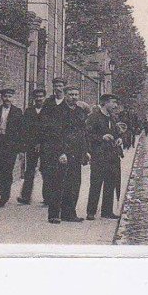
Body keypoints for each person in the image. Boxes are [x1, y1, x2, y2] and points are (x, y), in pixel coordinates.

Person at [40, 77, 72, 224]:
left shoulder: (68, 105)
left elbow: (70, 131)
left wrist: (65, 150)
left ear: (64, 88)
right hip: (49, 147)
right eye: (56, 86)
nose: (58, 88)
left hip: (63, 148)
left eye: (60, 86)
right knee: (50, 179)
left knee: (61, 181)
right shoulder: (48, 103)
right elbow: (42, 124)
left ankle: (57, 213)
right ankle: (52, 212)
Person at [86, 94, 123, 219]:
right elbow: (88, 135)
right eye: (113, 102)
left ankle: (107, 211)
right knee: (96, 183)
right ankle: (91, 212)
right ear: (105, 103)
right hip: (99, 155)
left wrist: (119, 139)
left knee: (110, 183)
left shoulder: (112, 118)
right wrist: (101, 138)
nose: (115, 105)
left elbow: (116, 133)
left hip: (112, 156)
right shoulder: (94, 117)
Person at [61, 86, 90, 222]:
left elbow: (83, 133)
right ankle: (64, 212)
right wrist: (61, 152)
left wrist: (86, 151)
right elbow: (57, 134)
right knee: (65, 183)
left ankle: (71, 212)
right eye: (71, 94)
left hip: (77, 152)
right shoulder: (60, 111)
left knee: (75, 183)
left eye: (76, 94)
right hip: (65, 153)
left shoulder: (80, 112)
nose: (74, 97)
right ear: (65, 95)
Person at [18, 86, 47, 205]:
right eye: (37, 97)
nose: (39, 99)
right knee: (29, 170)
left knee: (46, 171)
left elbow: (49, 129)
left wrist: (41, 142)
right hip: (31, 145)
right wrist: (24, 146)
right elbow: (24, 129)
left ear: (44, 98)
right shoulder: (29, 111)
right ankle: (25, 196)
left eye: (41, 96)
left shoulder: (49, 111)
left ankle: (48, 197)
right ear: (33, 98)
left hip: (45, 145)